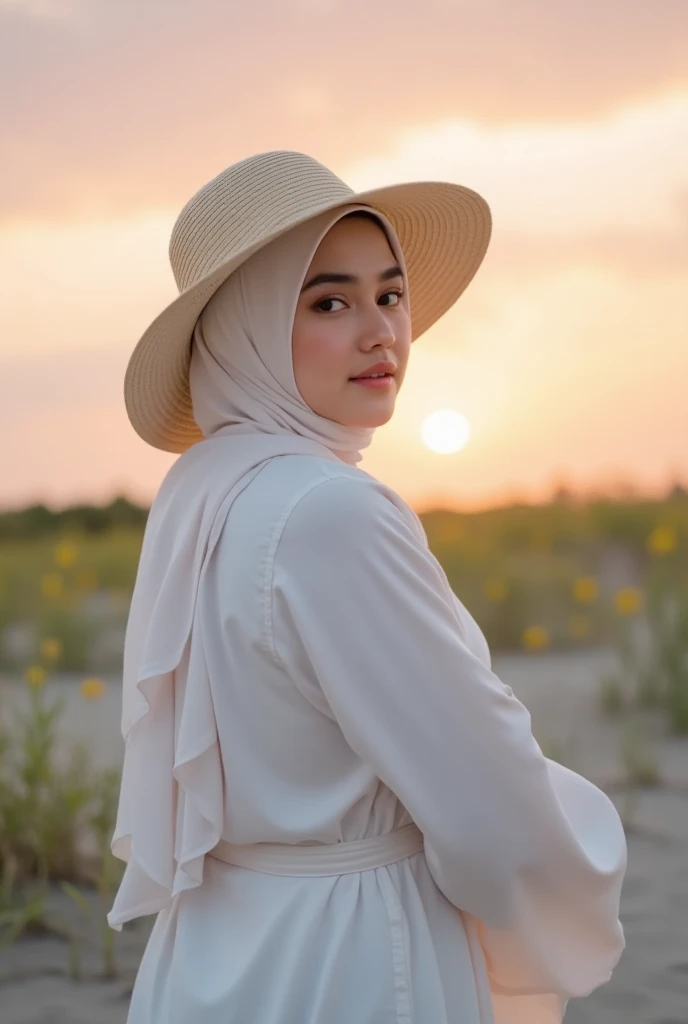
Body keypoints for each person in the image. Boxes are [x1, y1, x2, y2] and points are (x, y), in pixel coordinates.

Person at [107, 150, 626, 1024]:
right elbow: (481, 783)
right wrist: (580, 868)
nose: (381, 331)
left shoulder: (205, 491)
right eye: (328, 302)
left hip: (215, 953)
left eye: (390, 294)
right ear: (247, 329)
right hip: (351, 953)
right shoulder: (332, 513)